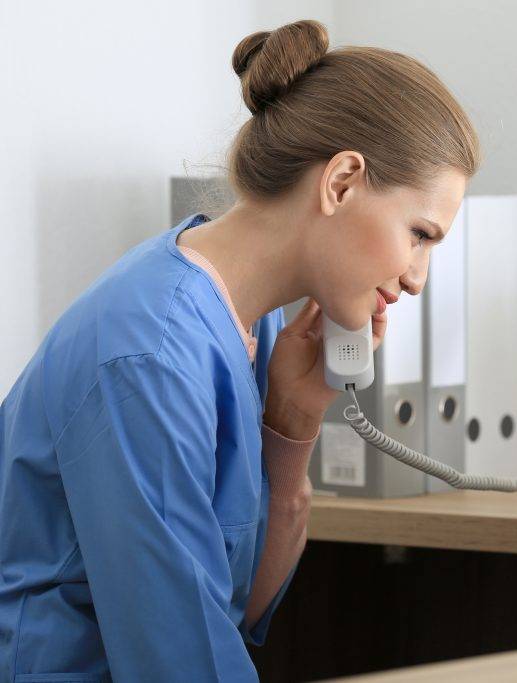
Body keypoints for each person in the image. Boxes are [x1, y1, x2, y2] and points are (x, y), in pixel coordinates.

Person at [0, 19, 478, 681]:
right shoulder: (151, 355)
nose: (419, 277)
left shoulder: (250, 322)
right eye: (420, 234)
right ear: (341, 182)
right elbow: (181, 661)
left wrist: (293, 420)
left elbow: (237, 608)